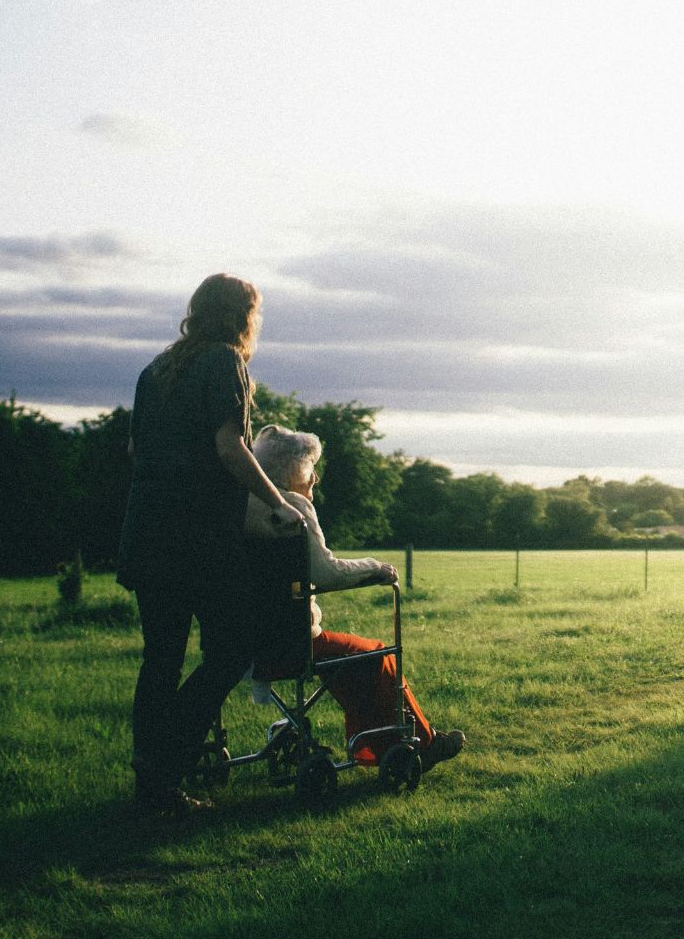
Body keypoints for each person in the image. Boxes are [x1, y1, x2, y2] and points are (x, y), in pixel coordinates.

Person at [117, 274, 306, 815]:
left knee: (161, 659)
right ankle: (165, 762)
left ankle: (152, 782)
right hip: (196, 537)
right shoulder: (226, 362)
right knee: (231, 650)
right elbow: (230, 447)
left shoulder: (155, 370)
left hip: (147, 530)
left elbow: (137, 448)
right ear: (243, 315)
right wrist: (278, 502)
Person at [243, 425, 465, 770]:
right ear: (291, 471)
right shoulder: (293, 508)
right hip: (292, 642)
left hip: (248, 642)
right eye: (310, 468)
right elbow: (327, 573)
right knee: (375, 654)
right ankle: (423, 742)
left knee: (350, 659)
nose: (315, 477)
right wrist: (375, 567)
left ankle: (376, 746)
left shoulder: (245, 507)